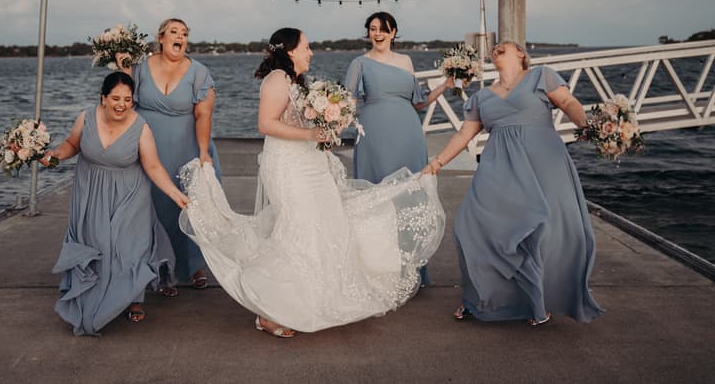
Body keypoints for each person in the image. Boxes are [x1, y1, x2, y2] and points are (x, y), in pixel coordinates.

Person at [177, 28, 446, 337]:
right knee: (299, 229)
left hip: (311, 165)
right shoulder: (277, 79)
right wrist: (310, 134)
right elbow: (265, 123)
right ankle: (270, 311)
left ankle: (312, 298)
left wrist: (326, 126)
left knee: (326, 227)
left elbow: (299, 121)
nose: (311, 52)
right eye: (306, 46)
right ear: (290, 50)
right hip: (289, 168)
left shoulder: (296, 82)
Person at [423, 41, 604, 326]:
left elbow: (568, 103)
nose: (497, 48)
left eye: (503, 45)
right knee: (469, 228)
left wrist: (592, 128)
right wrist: (436, 164)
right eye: (493, 48)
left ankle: (538, 302)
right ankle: (478, 297)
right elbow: (463, 135)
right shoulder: (482, 96)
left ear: (521, 53)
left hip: (543, 160)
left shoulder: (541, 75)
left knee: (540, 233)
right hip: (499, 165)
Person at [45, 71, 189, 336]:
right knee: (98, 246)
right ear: (103, 98)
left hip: (130, 194)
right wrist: (54, 156)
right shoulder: (86, 117)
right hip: (91, 193)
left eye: (127, 99)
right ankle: (97, 292)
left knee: (128, 248)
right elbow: (70, 145)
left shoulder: (140, 126)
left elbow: (154, 166)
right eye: (115, 98)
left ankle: (135, 298)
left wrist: (175, 194)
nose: (121, 104)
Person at [344, 12, 455, 285]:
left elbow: (418, 103)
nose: (377, 34)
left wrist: (445, 85)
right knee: (378, 195)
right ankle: (379, 270)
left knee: (411, 196)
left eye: (383, 29)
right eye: (372, 29)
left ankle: (413, 269)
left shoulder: (406, 61)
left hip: (409, 134)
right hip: (375, 135)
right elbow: (347, 102)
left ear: (393, 32)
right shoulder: (360, 63)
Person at [118, 18, 219, 294]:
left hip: (185, 145)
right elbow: (123, 100)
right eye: (174, 32)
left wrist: (202, 152)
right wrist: (124, 68)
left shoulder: (198, 72)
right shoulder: (141, 68)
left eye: (185, 34)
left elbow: (203, 114)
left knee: (188, 205)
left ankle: (195, 265)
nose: (180, 37)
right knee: (153, 206)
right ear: (161, 37)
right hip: (148, 145)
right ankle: (162, 269)